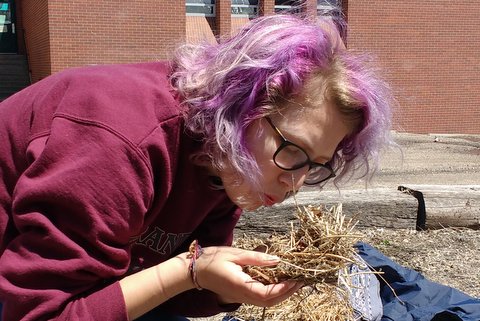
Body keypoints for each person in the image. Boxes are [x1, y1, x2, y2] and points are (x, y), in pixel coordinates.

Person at [0, 13, 393, 321]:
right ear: (244, 106)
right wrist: (190, 271)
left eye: (317, 166)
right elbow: (41, 314)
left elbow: (172, 287)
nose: (294, 182)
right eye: (293, 149)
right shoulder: (119, 140)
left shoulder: (225, 163)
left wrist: (229, 284)